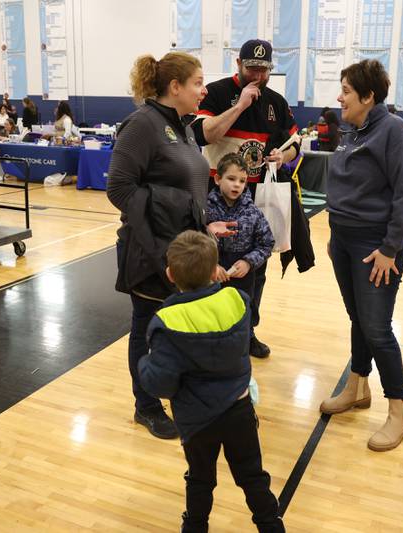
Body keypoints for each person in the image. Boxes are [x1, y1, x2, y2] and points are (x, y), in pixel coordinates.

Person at [107, 51, 235, 440]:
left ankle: (172, 389)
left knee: (174, 325)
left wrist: (199, 223)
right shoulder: (143, 125)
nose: (205, 89)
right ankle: (145, 406)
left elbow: (183, 187)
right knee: (147, 328)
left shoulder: (180, 126)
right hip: (150, 252)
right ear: (174, 87)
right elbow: (119, 188)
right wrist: (167, 233)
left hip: (184, 248)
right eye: (198, 82)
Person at [138, 230, 284, 533]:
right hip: (240, 410)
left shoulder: (168, 321)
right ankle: (271, 525)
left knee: (200, 479)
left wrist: (144, 364)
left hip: (197, 420)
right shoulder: (237, 299)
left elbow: (160, 383)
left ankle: (195, 527)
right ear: (215, 269)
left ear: (169, 274)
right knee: (253, 476)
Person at [319, 59, 403, 452]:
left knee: (377, 327)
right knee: (357, 319)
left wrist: (389, 249)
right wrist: (335, 235)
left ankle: (400, 411)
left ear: (368, 96)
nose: (339, 97)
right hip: (344, 240)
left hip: (375, 247)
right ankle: (357, 386)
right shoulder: (352, 130)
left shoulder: (394, 132)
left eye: (346, 91)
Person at [191, 38, 300, 359]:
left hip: (256, 199)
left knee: (254, 269)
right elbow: (203, 134)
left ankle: (247, 330)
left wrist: (284, 155)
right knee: (210, 265)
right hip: (214, 197)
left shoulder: (276, 102)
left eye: (264, 70)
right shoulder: (216, 92)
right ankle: (208, 330)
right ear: (237, 63)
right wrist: (239, 105)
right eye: (252, 68)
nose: (258, 76)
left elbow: (294, 144)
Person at [208, 153, 275, 353]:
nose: (237, 185)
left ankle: (247, 337)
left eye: (242, 181)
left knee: (245, 309)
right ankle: (213, 342)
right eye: (231, 179)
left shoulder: (253, 211)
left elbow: (267, 243)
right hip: (214, 272)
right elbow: (195, 241)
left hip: (243, 273)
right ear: (218, 179)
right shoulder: (205, 209)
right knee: (213, 310)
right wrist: (211, 265)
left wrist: (248, 262)